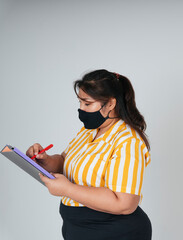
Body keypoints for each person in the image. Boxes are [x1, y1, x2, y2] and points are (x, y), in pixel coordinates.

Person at [26, 69, 152, 240]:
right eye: (79, 102)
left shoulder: (128, 140)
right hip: (78, 230)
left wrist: (68, 189)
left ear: (110, 103)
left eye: (87, 103)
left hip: (116, 233)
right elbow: (64, 162)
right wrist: (44, 160)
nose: (81, 109)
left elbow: (125, 203)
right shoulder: (88, 131)